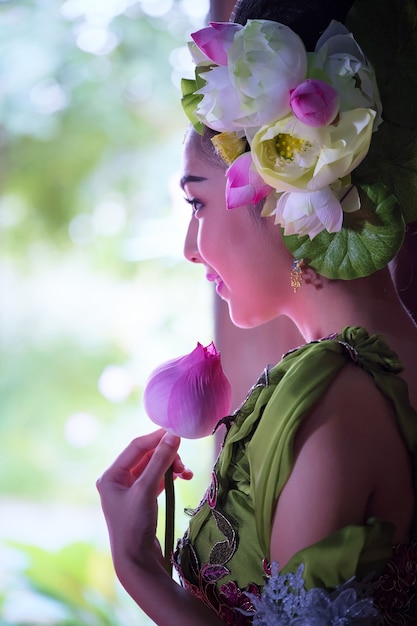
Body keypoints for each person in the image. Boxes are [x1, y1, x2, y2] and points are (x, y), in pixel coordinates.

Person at [97, 0, 417, 623]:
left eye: (197, 204)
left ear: (278, 185)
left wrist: (137, 567)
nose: (191, 249)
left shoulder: (337, 406)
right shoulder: (365, 371)